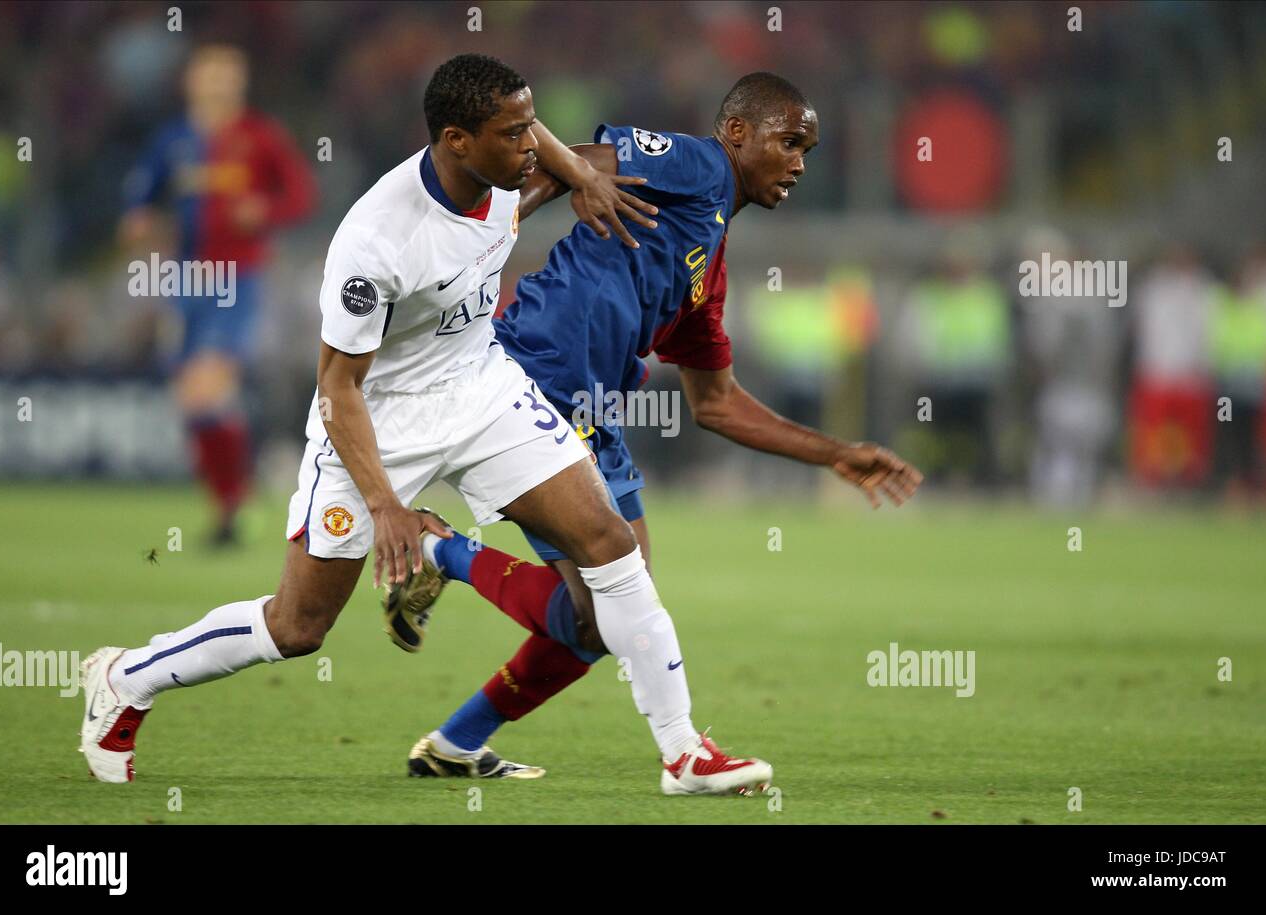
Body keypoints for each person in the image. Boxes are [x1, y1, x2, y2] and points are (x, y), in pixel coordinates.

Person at [80, 54, 775, 797]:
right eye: (514, 133)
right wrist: (385, 505)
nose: (531, 145)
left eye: (531, 127)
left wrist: (586, 173)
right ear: (457, 140)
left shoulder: (512, 175)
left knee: (609, 544)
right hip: (380, 422)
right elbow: (337, 388)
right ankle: (125, 677)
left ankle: (683, 755)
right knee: (299, 625)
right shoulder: (377, 242)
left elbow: (550, 153)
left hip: (483, 390)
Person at [389, 73, 923, 787]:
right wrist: (489, 240)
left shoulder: (709, 267)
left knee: (606, 617)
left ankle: (457, 739)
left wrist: (835, 454)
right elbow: (557, 159)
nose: (799, 161)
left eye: (809, 149)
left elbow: (717, 403)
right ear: (737, 134)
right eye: (789, 141)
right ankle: (439, 551)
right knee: (612, 601)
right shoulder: (697, 165)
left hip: (590, 411)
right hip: (532, 378)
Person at [120, 44, 317, 544]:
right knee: (194, 402)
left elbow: (300, 194)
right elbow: (142, 192)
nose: (217, 84)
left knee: (207, 386)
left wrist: (264, 211)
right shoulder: (175, 140)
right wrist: (139, 217)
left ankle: (241, 492)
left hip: (238, 278)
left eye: (226, 76)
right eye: (208, 75)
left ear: (240, 83)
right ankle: (230, 505)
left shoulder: (258, 136)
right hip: (185, 281)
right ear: (191, 81)